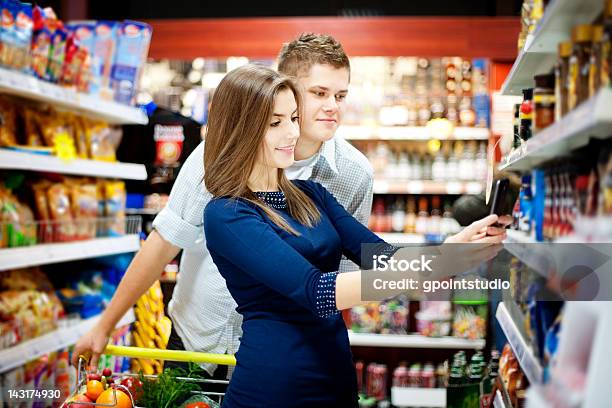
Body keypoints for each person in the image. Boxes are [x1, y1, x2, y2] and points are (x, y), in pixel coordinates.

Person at [202, 64, 507, 407]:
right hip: (275, 386)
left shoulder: (312, 195)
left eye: (292, 118)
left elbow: (381, 256)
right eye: (275, 123)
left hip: (336, 375)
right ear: (241, 129)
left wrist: (449, 250)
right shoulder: (228, 213)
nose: (291, 133)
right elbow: (317, 291)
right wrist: (428, 267)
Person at [72, 33, 375, 376]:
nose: (333, 106)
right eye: (319, 93)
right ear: (283, 89)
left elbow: (345, 282)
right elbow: (165, 241)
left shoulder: (352, 175)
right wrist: (104, 324)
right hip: (197, 345)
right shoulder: (216, 156)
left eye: (341, 95)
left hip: (279, 361)